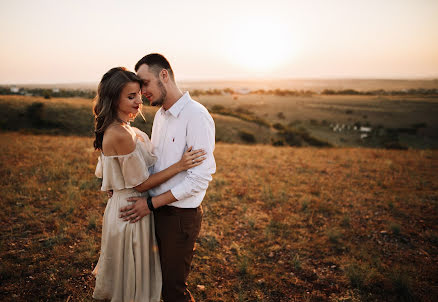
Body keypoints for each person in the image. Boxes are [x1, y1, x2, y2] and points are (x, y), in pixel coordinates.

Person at [92, 67, 206, 301]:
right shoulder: (120, 133)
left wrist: (118, 182)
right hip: (132, 208)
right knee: (132, 278)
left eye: (139, 95)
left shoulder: (123, 128)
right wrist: (180, 165)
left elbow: (111, 171)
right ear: (114, 99)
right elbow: (142, 183)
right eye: (131, 96)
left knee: (136, 275)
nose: (139, 101)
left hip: (132, 204)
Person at [119, 54, 216, 302]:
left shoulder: (196, 116)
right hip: (155, 212)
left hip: (179, 217)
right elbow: (155, 163)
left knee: (173, 291)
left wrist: (150, 204)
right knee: (155, 283)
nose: (142, 93)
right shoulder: (161, 115)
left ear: (164, 75)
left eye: (145, 84)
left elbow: (199, 179)